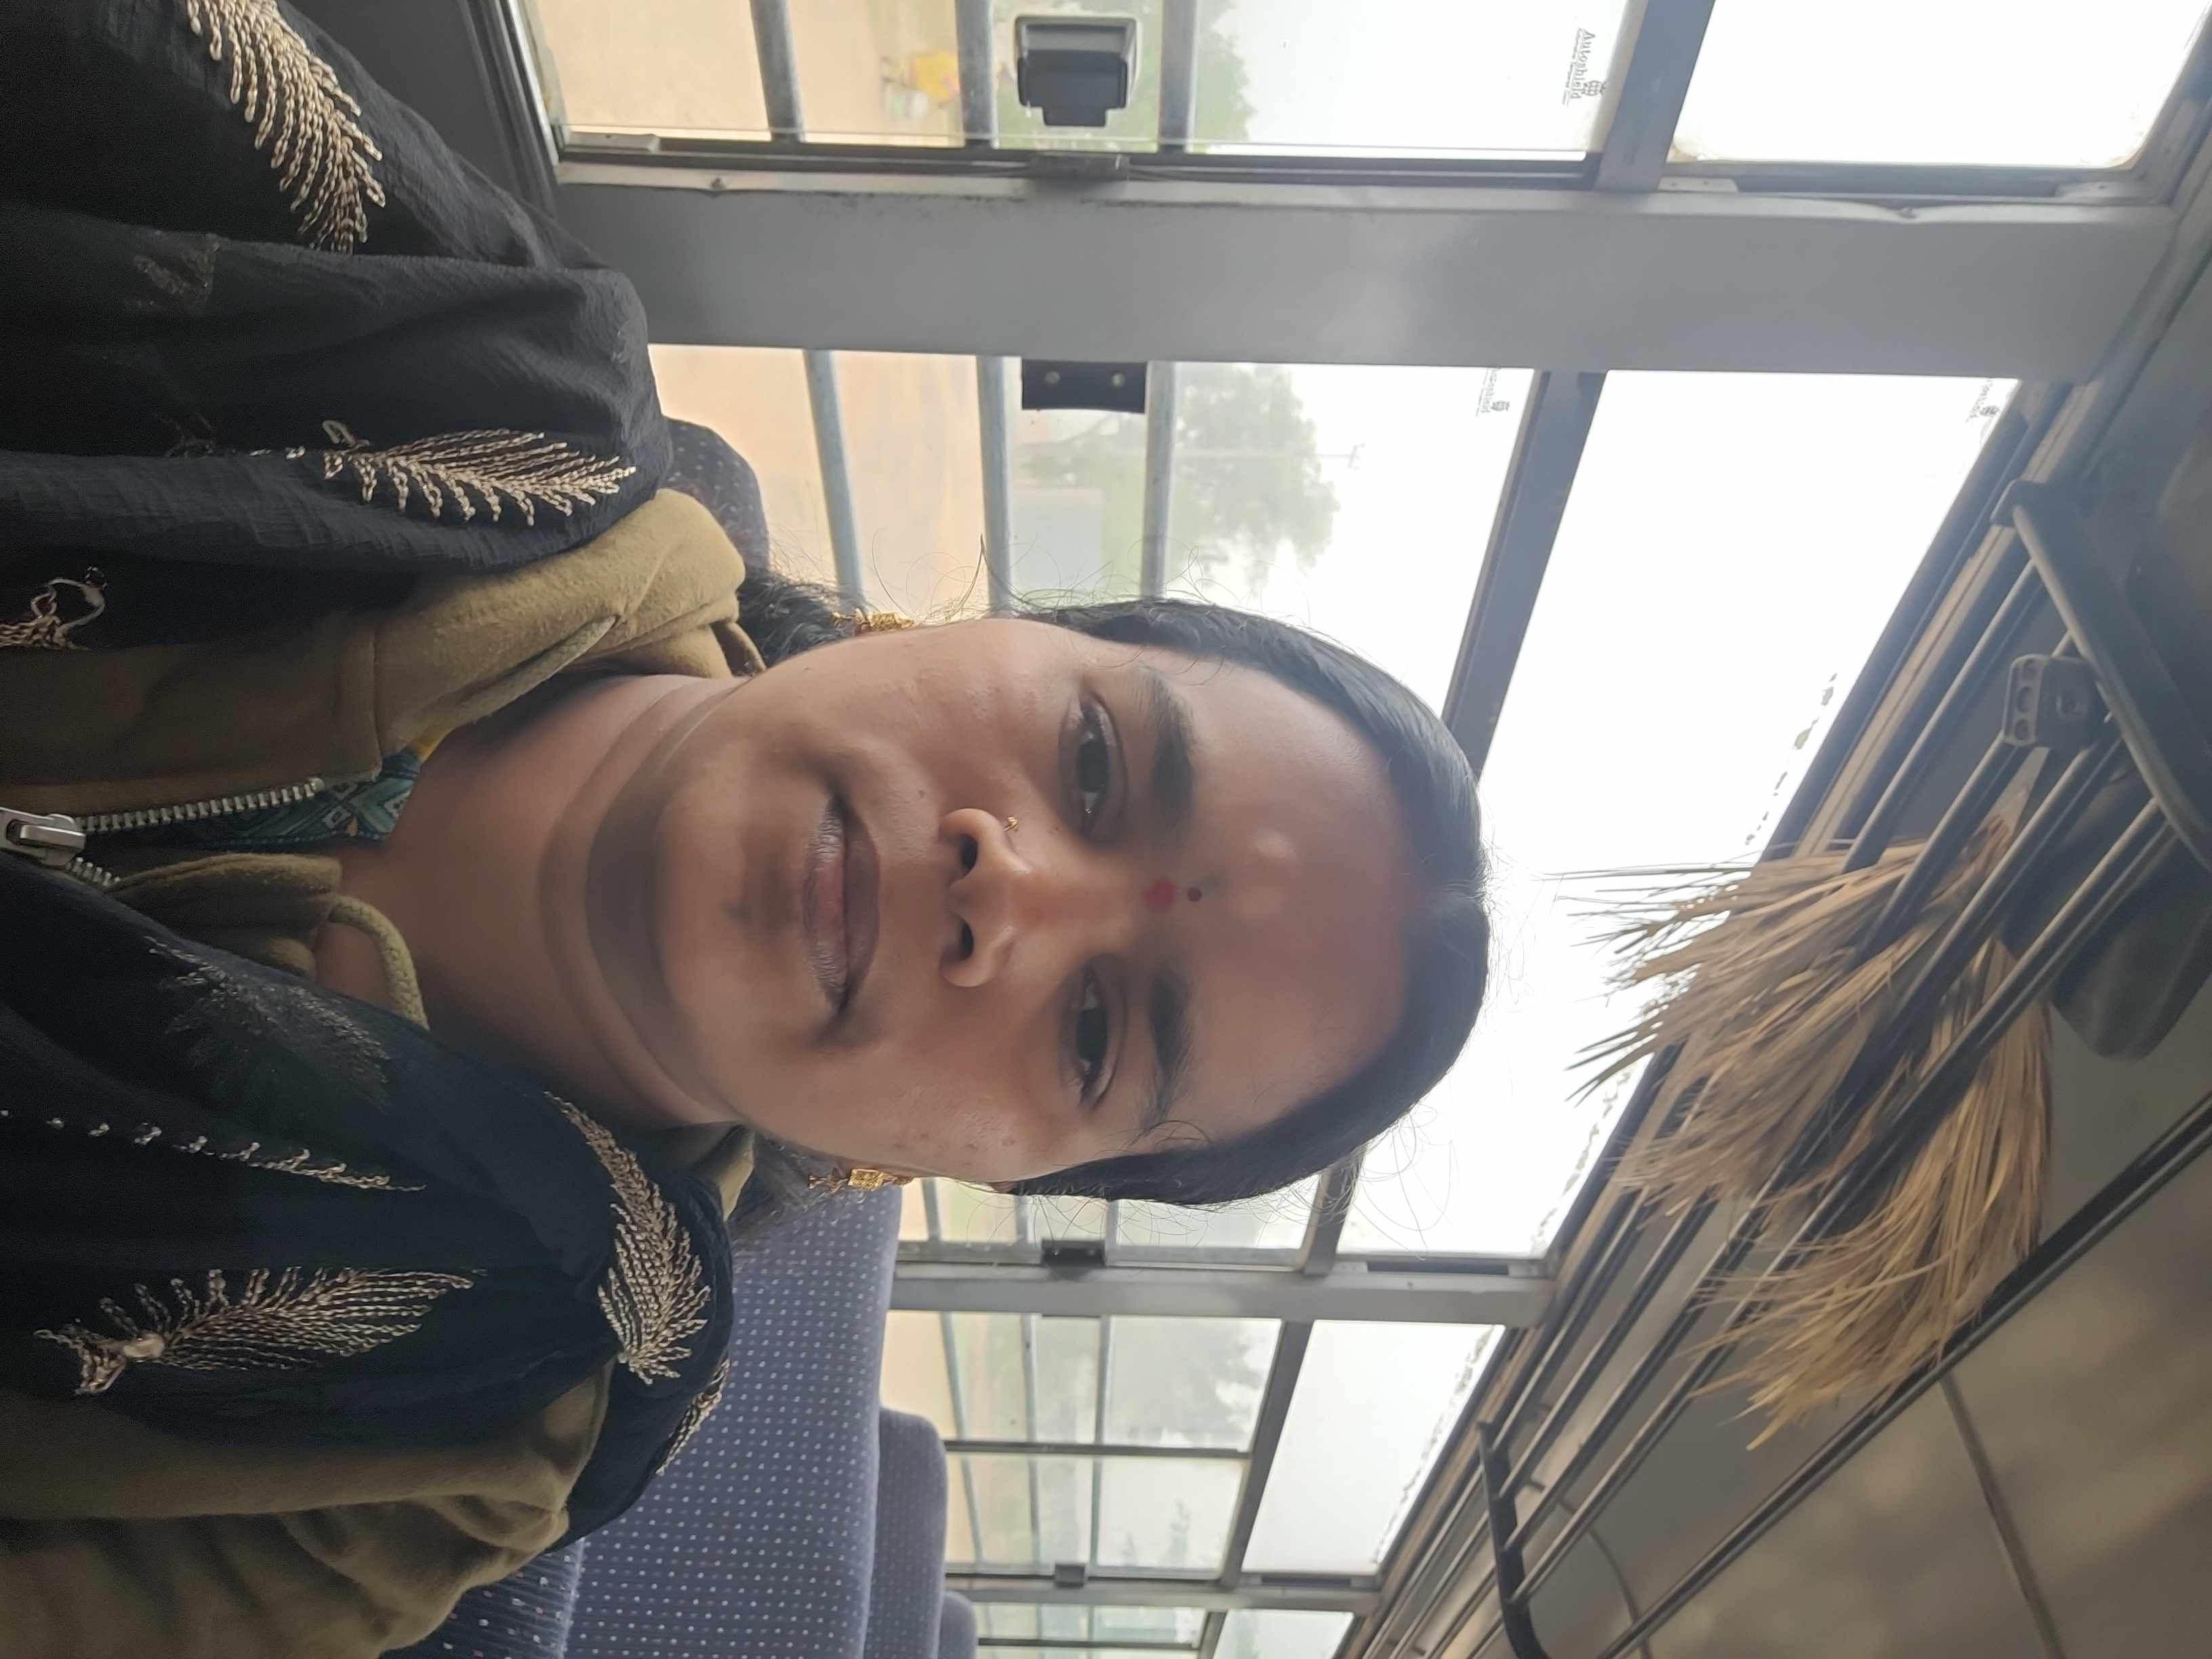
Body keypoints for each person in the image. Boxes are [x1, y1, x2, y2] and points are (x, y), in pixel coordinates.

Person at [0, 4, 1489, 1656]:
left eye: (1094, 1031)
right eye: (1092, 762)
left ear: (989, 1171)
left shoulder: (489, 1424)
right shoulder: (453, 336)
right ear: (999, 622)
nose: (1008, 896)